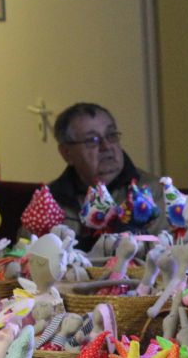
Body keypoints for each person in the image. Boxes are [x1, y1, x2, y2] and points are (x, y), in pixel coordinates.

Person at [49, 102, 167, 251]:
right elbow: (31, 257)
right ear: (67, 153)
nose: (106, 146)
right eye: (92, 140)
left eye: (111, 135)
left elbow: (162, 255)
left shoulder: (154, 192)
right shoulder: (49, 201)